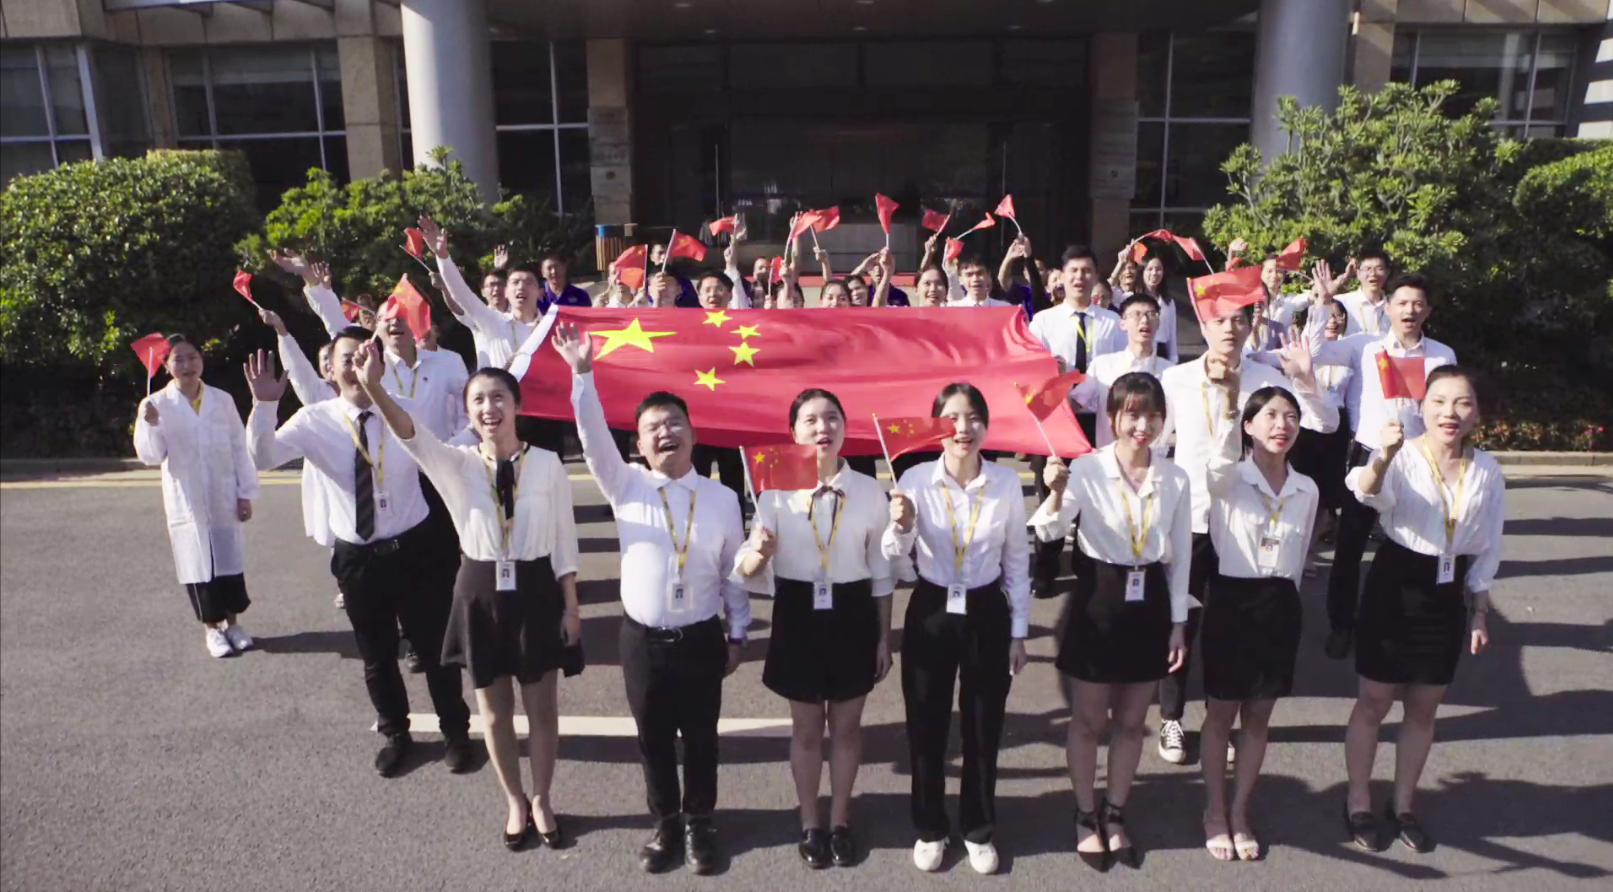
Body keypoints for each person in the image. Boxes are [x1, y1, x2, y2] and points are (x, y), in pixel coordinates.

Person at [358, 349, 581, 851]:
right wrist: (374, 387)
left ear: (517, 405)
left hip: (536, 589)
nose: (488, 408)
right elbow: (409, 433)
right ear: (468, 411)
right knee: (495, 713)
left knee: (542, 710)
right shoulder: (456, 464)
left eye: (498, 397)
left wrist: (571, 606)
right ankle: (514, 801)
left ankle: (542, 798)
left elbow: (565, 542)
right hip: (480, 591)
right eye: (477, 400)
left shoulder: (547, 464)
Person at [553, 321, 749, 875]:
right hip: (642, 641)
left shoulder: (721, 497)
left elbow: (734, 572)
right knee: (654, 738)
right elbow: (592, 439)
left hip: (701, 637)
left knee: (702, 739)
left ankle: (700, 823)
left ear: (693, 433)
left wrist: (738, 631)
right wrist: (583, 375)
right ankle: (665, 822)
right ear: (638, 445)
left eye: (675, 423)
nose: (666, 433)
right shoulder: (627, 486)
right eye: (652, 428)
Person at [244, 331, 476, 777]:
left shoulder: (402, 409)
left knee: (434, 649)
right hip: (359, 559)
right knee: (377, 654)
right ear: (329, 369)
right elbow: (262, 457)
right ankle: (396, 734)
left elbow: (441, 455)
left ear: (380, 366)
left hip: (417, 548)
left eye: (366, 357)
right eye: (346, 359)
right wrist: (264, 406)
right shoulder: (314, 420)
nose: (356, 367)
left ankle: (456, 732)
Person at [1155, 311, 1334, 767]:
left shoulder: (1267, 379)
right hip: (1191, 515)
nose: (1229, 329)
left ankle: (1224, 722)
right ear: (1203, 325)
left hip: (1247, 516)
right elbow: (1156, 442)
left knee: (1235, 626)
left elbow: (1325, 422)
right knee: (1181, 619)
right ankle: (1171, 716)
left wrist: (1306, 378)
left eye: (1239, 320)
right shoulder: (1176, 378)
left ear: (1250, 327)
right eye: (1219, 320)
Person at [1339, 366, 1502, 854]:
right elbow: (1366, 490)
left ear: (1477, 414)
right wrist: (1383, 455)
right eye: (1439, 401)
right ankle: (1359, 801)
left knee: (1424, 706)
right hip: (1396, 583)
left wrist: (1479, 610)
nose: (1450, 413)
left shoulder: (1488, 470)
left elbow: (1489, 543)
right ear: (1422, 407)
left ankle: (1403, 804)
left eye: (1462, 403)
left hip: (1446, 593)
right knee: (1374, 700)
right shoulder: (1402, 454)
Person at [1035, 372, 1192, 871]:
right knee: (1088, 720)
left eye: (1152, 415)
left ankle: (1115, 811)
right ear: (1112, 418)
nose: (1142, 425)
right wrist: (1054, 492)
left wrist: (1177, 623)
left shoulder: (1176, 478)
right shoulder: (1085, 469)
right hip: (1098, 601)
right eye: (1132, 414)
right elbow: (1050, 531)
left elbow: (1181, 556)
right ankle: (1085, 814)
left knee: (1130, 722)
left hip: (1150, 604)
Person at [734, 389, 893, 869]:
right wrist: (759, 554)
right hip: (798, 614)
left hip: (852, 612)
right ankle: (810, 822)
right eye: (810, 420)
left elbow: (880, 570)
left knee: (847, 726)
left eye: (832, 417)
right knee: (806, 729)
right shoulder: (774, 492)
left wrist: (884, 636)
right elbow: (747, 568)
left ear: (845, 426)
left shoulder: (869, 490)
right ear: (794, 431)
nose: (823, 428)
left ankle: (840, 820)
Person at [884, 383, 1030, 876]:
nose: (962, 428)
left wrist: (1019, 632)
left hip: (986, 608)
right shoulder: (915, 480)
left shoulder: (1005, 483)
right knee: (925, 724)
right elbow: (893, 560)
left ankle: (978, 828)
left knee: (983, 725)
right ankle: (930, 826)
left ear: (986, 425)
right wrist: (901, 526)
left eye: (972, 418)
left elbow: (1017, 561)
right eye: (951, 418)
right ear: (936, 426)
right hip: (931, 606)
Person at [1199, 385, 1321, 862]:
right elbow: (1215, 466)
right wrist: (1228, 409)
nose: (1281, 425)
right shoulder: (1229, 477)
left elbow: (1301, 553)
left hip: (1280, 605)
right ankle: (1214, 810)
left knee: (1259, 717)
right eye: (1270, 415)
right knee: (1220, 713)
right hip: (1232, 602)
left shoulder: (1306, 488)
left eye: (1290, 416)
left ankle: (1239, 810)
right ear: (1247, 426)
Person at [1306, 272, 1456, 660]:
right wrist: (1323, 303)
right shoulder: (1366, 347)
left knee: (1410, 545)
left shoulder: (1441, 355)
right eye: (1402, 303)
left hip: (1419, 460)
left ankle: (1398, 623)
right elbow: (1314, 352)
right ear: (1387, 308)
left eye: (1417, 304)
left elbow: (1448, 407)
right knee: (1350, 548)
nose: (1409, 310)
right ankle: (1342, 626)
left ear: (1429, 310)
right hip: (1369, 456)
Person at [133, 334, 259, 659]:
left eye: (193, 357)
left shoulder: (221, 400)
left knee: (228, 560)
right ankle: (212, 629)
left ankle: (233, 624)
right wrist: (150, 425)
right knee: (199, 563)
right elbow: (150, 455)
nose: (187, 365)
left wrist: (245, 493)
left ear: (202, 359)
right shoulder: (156, 404)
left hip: (223, 495)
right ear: (165, 365)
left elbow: (239, 447)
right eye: (178, 359)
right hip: (187, 499)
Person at [1027, 244, 1126, 599]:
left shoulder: (1113, 323)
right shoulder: (1044, 321)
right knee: (1052, 492)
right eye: (1074, 271)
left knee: (1095, 495)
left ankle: (1088, 566)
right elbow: (1030, 373)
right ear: (1062, 277)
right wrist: (1049, 371)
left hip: (1098, 422)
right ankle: (1046, 567)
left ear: (1096, 276)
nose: (1080, 278)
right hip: (1056, 420)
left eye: (1086, 271)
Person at [1070, 294, 1177, 449]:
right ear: (1122, 324)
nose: (1145, 320)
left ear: (1158, 323)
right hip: (1110, 456)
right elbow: (1077, 404)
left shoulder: (1171, 371)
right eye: (1136, 314)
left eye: (1151, 314)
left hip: (1154, 458)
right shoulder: (1102, 365)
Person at [1288, 299, 1354, 545]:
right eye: (1328, 315)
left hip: (1336, 425)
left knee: (1327, 492)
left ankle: (1314, 540)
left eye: (1338, 316)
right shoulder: (1305, 348)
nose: (1333, 321)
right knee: (1301, 484)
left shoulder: (1351, 350)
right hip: (1305, 424)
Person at [1332, 250, 1393, 338]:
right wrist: (1342, 279)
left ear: (1387, 272)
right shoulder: (1342, 302)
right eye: (1367, 269)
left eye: (1379, 268)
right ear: (1358, 273)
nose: (1373, 273)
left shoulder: (1394, 306)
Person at [1133, 254, 1180, 362]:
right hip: (1139, 350)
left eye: (1158, 269)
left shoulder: (1168, 302)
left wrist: (1173, 358)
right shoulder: (1132, 299)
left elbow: (1172, 333)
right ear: (1142, 272)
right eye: (1150, 269)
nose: (1154, 273)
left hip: (1161, 352)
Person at [947, 254, 1015, 308]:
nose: (975, 279)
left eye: (980, 273)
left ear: (988, 276)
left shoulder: (1004, 308)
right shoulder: (953, 309)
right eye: (969, 275)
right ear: (960, 279)